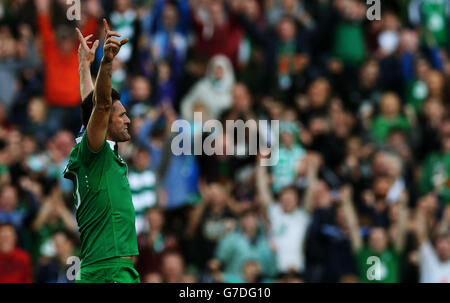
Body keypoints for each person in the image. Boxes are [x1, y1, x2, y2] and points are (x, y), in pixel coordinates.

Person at [63, 19, 139, 283]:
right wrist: (106, 62)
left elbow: (91, 108)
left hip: (100, 269)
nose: (128, 120)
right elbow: (101, 106)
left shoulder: (90, 146)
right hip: (111, 272)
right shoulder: (95, 151)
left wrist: (84, 65)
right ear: (105, 122)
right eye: (123, 115)